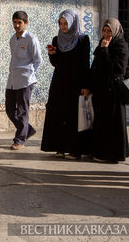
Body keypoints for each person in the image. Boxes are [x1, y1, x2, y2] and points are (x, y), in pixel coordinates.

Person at [40, 9, 91, 159]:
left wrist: (85, 85)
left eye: (66, 23)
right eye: (61, 23)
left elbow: (85, 65)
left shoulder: (82, 40)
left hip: (75, 84)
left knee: (73, 115)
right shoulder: (57, 40)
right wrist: (52, 55)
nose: (63, 27)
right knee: (58, 112)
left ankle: (75, 150)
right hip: (59, 82)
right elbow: (56, 63)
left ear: (73, 22)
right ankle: (59, 147)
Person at [90, 18, 129, 163]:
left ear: (115, 31)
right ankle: (100, 152)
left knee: (112, 124)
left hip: (113, 92)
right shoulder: (102, 44)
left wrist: (105, 50)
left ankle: (111, 155)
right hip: (101, 91)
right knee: (101, 122)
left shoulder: (121, 46)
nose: (106, 34)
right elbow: (95, 66)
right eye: (104, 31)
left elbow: (117, 69)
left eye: (109, 31)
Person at [5, 11, 42, 150]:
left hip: (26, 80)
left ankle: (20, 140)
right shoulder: (12, 39)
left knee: (22, 111)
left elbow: (38, 59)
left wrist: (30, 74)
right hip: (12, 79)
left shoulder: (31, 39)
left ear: (25, 23)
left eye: (19, 22)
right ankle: (28, 130)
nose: (16, 25)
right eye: (14, 22)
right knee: (9, 109)